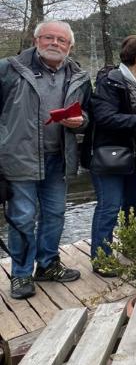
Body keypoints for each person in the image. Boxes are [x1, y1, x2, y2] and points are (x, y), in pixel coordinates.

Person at [0, 21, 89, 299]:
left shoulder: (80, 75)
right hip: (19, 160)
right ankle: (21, 274)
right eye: (48, 37)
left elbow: (88, 116)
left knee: (55, 215)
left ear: (70, 46)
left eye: (62, 40)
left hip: (58, 159)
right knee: (23, 219)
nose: (55, 43)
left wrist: (81, 121)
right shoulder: (9, 69)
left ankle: (48, 265)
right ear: (36, 40)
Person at [88, 36, 136, 269]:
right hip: (109, 156)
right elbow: (105, 118)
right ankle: (101, 258)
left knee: (132, 205)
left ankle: (131, 248)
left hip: (133, 157)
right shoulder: (109, 82)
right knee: (109, 207)